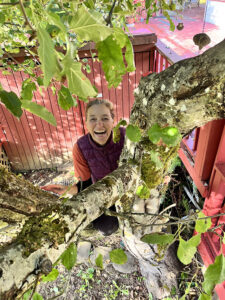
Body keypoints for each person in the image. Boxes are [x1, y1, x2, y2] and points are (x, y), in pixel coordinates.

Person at [41, 99, 126, 236]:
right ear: (86, 123)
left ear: (112, 120)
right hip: (105, 194)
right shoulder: (81, 147)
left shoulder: (125, 136)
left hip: (130, 187)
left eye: (105, 118)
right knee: (106, 228)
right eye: (93, 119)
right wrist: (67, 190)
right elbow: (85, 183)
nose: (99, 124)